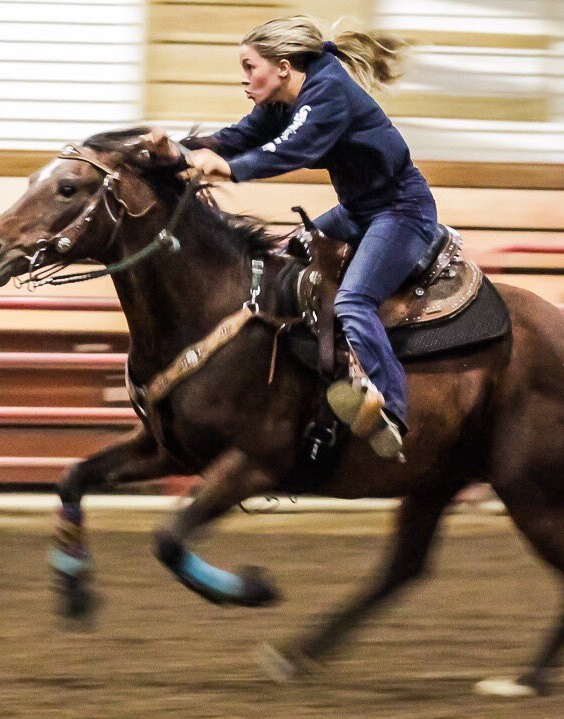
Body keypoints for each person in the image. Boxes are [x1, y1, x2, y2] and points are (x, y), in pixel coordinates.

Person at [142, 16, 440, 459]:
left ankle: (390, 406)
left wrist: (230, 168)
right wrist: (180, 152)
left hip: (400, 213)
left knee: (354, 300)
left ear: (282, 66)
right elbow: (240, 136)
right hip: (360, 210)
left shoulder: (328, 92)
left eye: (249, 67)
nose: (243, 79)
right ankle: (324, 373)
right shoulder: (288, 97)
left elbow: (295, 147)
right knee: (279, 260)